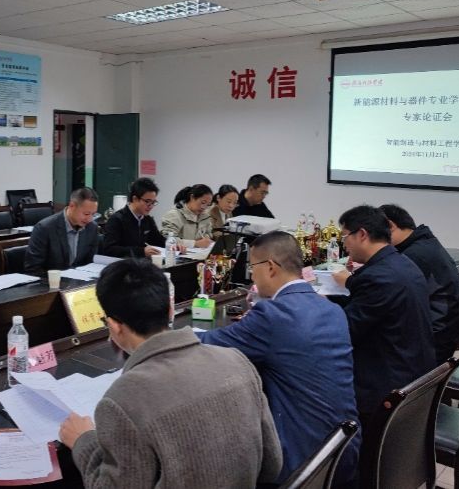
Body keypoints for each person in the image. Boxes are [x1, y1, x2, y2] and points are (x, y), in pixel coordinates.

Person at [59, 259, 282, 489]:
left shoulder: (121, 400)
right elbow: (272, 466)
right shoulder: (237, 361)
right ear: (170, 309)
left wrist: (83, 442)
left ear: (113, 325)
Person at [197, 231, 359, 486]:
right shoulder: (332, 309)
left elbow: (206, 344)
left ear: (270, 267)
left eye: (253, 268)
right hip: (343, 450)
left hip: (298, 463)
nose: (252, 276)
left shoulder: (273, 315)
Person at [332, 205, 435, 425]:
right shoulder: (402, 263)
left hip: (387, 388)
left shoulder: (377, 277)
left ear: (362, 234)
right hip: (415, 372)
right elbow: (365, 306)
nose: (344, 245)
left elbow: (345, 332)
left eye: (345, 237)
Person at [379, 204, 459, 364]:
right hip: (444, 335)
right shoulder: (425, 243)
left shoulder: (414, 256)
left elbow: (386, 297)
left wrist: (350, 281)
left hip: (431, 345)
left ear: (390, 226)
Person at [25, 187, 99, 274]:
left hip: (81, 279)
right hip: (51, 280)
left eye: (93, 214)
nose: (90, 219)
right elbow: (33, 268)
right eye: (86, 214)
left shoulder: (92, 227)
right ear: (72, 206)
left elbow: (90, 263)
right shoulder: (44, 228)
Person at [101, 177, 167, 258]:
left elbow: (158, 241)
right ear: (135, 199)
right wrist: (141, 252)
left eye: (153, 202)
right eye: (147, 201)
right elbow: (109, 250)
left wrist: (172, 245)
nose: (151, 206)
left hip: (140, 262)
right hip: (121, 263)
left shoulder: (147, 219)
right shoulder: (117, 219)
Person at [160, 184, 214, 248]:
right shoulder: (174, 215)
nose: (204, 207)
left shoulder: (205, 216)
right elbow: (168, 239)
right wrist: (195, 243)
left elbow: (209, 233)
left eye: (208, 204)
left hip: (199, 252)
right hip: (179, 253)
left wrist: (206, 238)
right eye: (203, 202)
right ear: (192, 197)